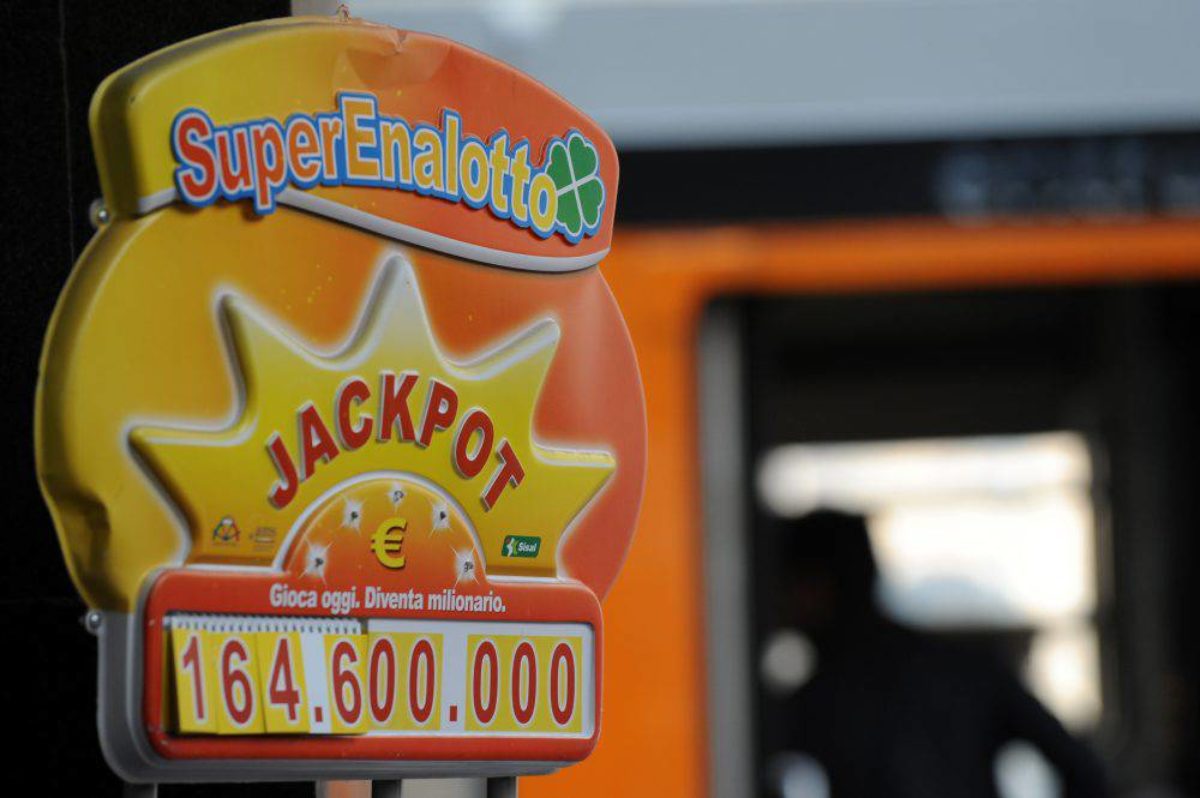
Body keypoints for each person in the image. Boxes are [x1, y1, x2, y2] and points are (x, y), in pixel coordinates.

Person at [771, 509, 1107, 797]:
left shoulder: (817, 700)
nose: (784, 605)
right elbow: (1083, 771)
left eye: (791, 587)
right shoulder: (968, 670)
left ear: (819, 587)